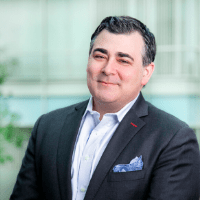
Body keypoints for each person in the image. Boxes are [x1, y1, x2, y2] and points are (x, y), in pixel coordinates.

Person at [10, 16, 199, 200]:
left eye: (123, 60)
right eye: (100, 56)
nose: (108, 69)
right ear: (88, 61)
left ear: (146, 72)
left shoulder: (174, 138)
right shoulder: (48, 126)